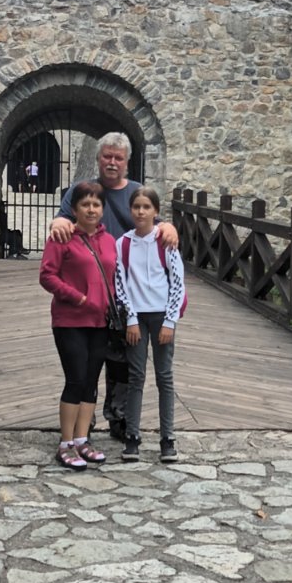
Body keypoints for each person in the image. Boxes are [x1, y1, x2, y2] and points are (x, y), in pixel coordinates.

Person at [48, 132, 178, 437]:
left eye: (118, 158)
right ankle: (84, 422)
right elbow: (63, 219)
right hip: (89, 293)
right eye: (107, 156)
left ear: (127, 162)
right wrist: (58, 221)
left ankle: (119, 417)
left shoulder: (136, 192)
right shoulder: (84, 192)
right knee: (88, 362)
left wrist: (168, 225)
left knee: (123, 362)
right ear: (98, 159)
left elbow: (154, 220)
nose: (112, 162)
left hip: (130, 294)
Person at [39, 181, 117, 471]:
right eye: (85, 204)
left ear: (102, 209)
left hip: (100, 321)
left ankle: (83, 439)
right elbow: (47, 275)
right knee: (75, 379)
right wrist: (78, 297)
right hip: (70, 320)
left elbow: (115, 276)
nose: (91, 209)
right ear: (74, 209)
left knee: (91, 381)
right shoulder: (62, 237)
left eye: (96, 204)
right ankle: (66, 443)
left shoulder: (109, 241)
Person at [114, 185, 185, 464]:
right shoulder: (123, 244)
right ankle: (132, 436)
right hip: (137, 318)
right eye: (136, 207)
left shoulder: (165, 242)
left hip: (161, 316)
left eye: (146, 207)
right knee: (136, 376)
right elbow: (121, 284)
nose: (141, 212)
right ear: (130, 210)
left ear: (155, 211)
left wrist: (170, 320)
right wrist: (130, 318)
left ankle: (167, 438)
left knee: (164, 376)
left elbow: (177, 283)